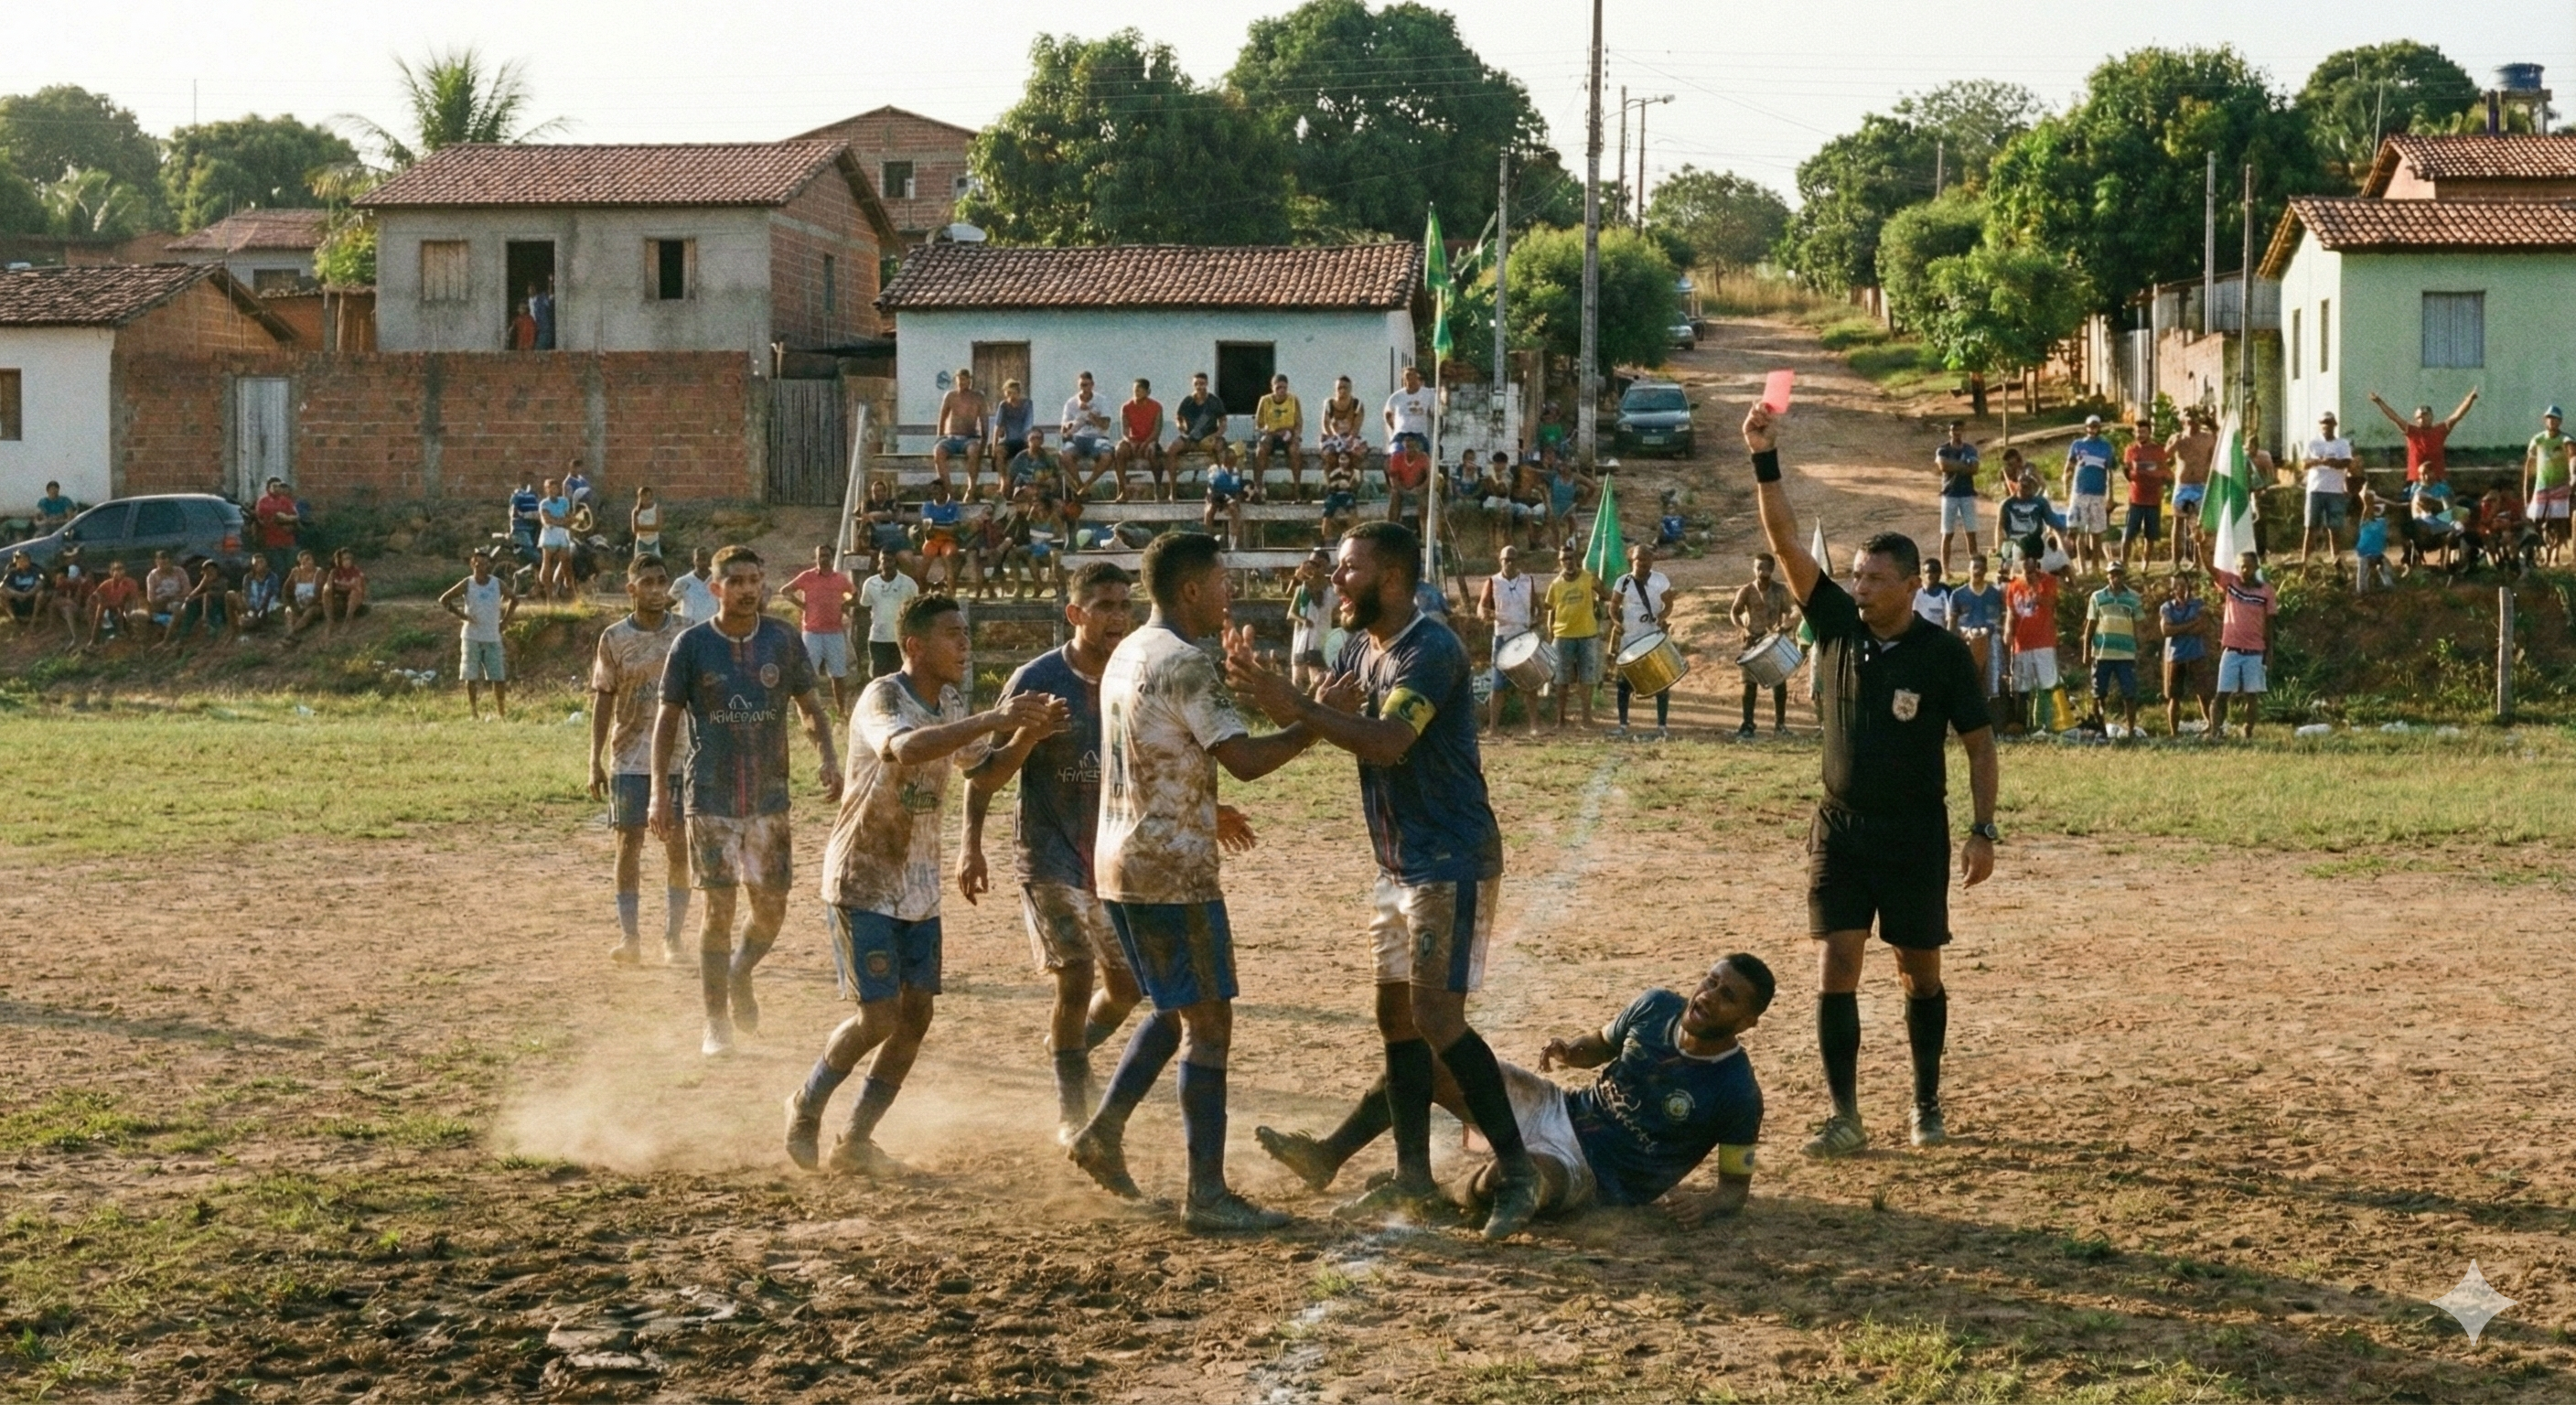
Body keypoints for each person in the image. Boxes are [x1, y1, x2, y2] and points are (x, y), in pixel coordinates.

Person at [1227, 521, 1545, 1240]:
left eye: (1348, 570)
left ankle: (1518, 1170)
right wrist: (1286, 702)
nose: (1335, 580)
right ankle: (1411, 1176)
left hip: (1449, 857)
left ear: (1391, 579)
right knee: (1396, 1021)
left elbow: (1393, 742)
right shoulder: (1355, 650)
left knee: (1437, 1020)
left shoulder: (1429, 648)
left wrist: (1301, 706)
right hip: (1397, 861)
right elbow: (1330, 724)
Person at [1743, 402, 1997, 1157]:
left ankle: (1925, 1103)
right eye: (1854, 575)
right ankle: (1844, 1115)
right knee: (1837, 966)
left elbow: (1980, 746)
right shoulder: (1839, 626)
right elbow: (1785, 542)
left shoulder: (1944, 655)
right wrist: (1765, 457)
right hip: (1841, 828)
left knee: (1919, 974)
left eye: (1874, 579)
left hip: (1916, 833)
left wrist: (1984, 829)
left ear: (1913, 585)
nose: (1858, 588)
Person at [1062, 531, 1318, 1232]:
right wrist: (1316, 722)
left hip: (1122, 858)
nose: (1231, 592)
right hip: (1171, 868)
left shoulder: (1126, 655)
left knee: (1174, 1012)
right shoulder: (1183, 664)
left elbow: (1161, 754)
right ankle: (1206, 1193)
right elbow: (1245, 760)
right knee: (1209, 1024)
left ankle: (1102, 1132)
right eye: (1223, 581)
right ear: (1192, 590)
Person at [787, 594, 1063, 1174]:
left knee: (915, 1018)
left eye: (965, 633)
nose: (964, 643)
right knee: (879, 1017)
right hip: (861, 878)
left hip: (917, 886)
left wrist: (1029, 736)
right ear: (913, 645)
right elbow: (905, 749)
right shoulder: (884, 694)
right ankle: (807, 1102)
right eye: (950, 634)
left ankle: (856, 1138)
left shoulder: (953, 701)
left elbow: (983, 772)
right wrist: (996, 718)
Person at [959, 563, 1144, 1143]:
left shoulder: (1134, 676)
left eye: (1123, 605)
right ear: (1075, 613)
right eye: (1103, 606)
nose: (1116, 617)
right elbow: (984, 775)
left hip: (1112, 858)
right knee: (1074, 974)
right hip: (1047, 856)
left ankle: (1067, 1048)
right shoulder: (1037, 679)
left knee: (1128, 988)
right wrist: (971, 846)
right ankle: (1073, 1110)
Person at [649, 546, 842, 1056]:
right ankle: (716, 1023)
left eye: (755, 579)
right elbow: (667, 721)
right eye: (735, 581)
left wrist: (827, 756)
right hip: (709, 796)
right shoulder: (691, 646)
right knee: (718, 907)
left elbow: (809, 706)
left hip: (769, 797)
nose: (748, 589)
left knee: (771, 910)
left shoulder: (782, 639)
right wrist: (656, 794)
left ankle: (740, 973)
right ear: (714, 589)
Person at [1441, 957, 1772, 1228]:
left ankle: (1442, 1193)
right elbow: (1600, 1045)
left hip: (1592, 1172)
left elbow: (1734, 1189)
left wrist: (1705, 1206)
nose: (1708, 996)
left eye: (1727, 996)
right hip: (1558, 1107)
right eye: (1710, 981)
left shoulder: (1738, 1091)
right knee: (1437, 1062)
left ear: (1748, 1021)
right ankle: (1410, 1171)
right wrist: (1570, 1051)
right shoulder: (1655, 1007)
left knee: (1513, 1176)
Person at [591, 555, 694, 966]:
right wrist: (594, 759)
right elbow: (603, 696)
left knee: (679, 847)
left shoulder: (687, 634)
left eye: (661, 581)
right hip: (629, 756)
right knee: (628, 844)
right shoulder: (614, 638)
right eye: (646, 582)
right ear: (630, 589)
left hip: (681, 755)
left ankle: (673, 938)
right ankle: (630, 936)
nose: (656, 589)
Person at [2201, 542, 2276, 741]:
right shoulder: (2231, 583)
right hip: (2232, 650)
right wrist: (2201, 547)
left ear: (2256, 567)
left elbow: (2270, 625)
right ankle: (2215, 732)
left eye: (2248, 566)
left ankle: (2248, 731)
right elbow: (2210, 568)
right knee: (2222, 694)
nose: (2244, 570)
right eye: (2241, 566)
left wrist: (2269, 653)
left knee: (2252, 695)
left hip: (2254, 651)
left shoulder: (2266, 591)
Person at [783, 544, 860, 715]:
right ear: (816, 558)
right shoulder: (807, 577)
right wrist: (803, 606)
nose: (823, 558)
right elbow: (785, 591)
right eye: (820, 556)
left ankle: (841, 711)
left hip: (835, 632)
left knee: (838, 674)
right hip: (812, 632)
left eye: (826, 555)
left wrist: (845, 604)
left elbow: (854, 594)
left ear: (831, 558)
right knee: (808, 674)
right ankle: (808, 711)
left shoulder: (840, 579)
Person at [1540, 542, 1607, 731]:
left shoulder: (1588, 578)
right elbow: (1550, 610)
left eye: (1570, 558)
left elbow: (1604, 594)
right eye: (1563, 559)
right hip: (1563, 636)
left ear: (1576, 559)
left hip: (1587, 635)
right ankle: (1560, 719)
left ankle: (1587, 719)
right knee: (1561, 680)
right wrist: (1550, 632)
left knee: (1587, 679)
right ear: (1559, 562)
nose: (1567, 562)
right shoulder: (1555, 585)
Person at [440, 550, 517, 719]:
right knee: (471, 676)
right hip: (471, 636)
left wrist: (505, 622)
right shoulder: (468, 583)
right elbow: (445, 599)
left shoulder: (497, 584)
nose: (482, 567)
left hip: (492, 636)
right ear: (472, 564)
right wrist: (462, 616)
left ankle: (501, 712)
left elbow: (514, 599)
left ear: (489, 565)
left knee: (499, 677)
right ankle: (474, 712)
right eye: (478, 564)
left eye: (485, 564)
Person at [1610, 543, 1675, 740]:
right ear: (1632, 560)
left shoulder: (1660, 580)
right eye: (1639, 560)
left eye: (1646, 560)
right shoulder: (1623, 582)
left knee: (1661, 682)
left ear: (1652, 561)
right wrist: (1616, 622)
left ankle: (1662, 725)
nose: (1642, 564)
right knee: (1623, 684)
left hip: (1653, 638)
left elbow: (1669, 603)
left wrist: (1663, 617)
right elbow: (1613, 606)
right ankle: (1622, 724)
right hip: (1630, 639)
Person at [1731, 552, 1798, 738]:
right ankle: (1747, 724)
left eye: (1765, 567)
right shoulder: (1746, 590)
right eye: (1758, 567)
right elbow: (1734, 612)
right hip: (1751, 641)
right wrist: (1743, 629)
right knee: (1749, 685)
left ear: (1772, 569)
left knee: (1779, 682)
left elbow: (1791, 610)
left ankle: (1780, 724)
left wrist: (1787, 624)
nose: (1761, 571)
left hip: (1773, 640)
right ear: (1753, 569)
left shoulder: (1780, 590)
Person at [1479, 546, 1541, 737]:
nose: (1510, 564)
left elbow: (1538, 607)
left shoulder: (1527, 581)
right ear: (1501, 561)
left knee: (1529, 684)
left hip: (1523, 636)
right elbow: (1482, 607)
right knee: (1498, 686)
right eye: (1506, 560)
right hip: (1502, 636)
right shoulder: (1493, 582)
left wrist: (1536, 622)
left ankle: (1533, 726)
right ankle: (1493, 728)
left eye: (1513, 560)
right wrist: (1485, 615)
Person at [2367, 388, 2478, 486]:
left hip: (2438, 480)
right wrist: (2379, 402)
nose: (2423, 419)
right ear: (2416, 419)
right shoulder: (2411, 431)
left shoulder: (2441, 430)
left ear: (2432, 416)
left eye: (2426, 415)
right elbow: (2394, 417)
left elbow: (2457, 416)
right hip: (2417, 481)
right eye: (2419, 417)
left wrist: (2470, 399)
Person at [2083, 562, 2143, 735]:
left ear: (2123, 576)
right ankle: (2102, 731)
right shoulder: (2097, 597)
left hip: (2125, 653)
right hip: (2102, 653)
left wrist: (2139, 649)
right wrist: (2086, 651)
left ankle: (2131, 729)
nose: (2115, 578)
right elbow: (2091, 625)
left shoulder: (2133, 598)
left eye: (2118, 574)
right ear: (2107, 576)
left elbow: (2138, 626)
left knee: (2129, 693)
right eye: (2112, 574)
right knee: (2099, 694)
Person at [2003, 555, 2059, 734]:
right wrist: (2008, 632)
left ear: (2036, 563)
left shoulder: (2047, 580)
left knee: (2047, 684)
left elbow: (2052, 603)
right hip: (2022, 642)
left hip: (2044, 642)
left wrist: (2037, 590)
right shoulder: (2013, 585)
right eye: (2023, 561)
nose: (2027, 565)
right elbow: (2011, 612)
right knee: (2021, 687)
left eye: (2030, 561)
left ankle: (2046, 725)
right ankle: (2022, 726)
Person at [2159, 566, 2215, 737]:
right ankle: (2174, 732)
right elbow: (2166, 631)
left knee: (2204, 693)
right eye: (2176, 586)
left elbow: (2203, 626)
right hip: (2175, 657)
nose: (2180, 589)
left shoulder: (2198, 604)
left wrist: (2178, 628)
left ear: (2188, 586)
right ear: (2171, 588)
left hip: (2196, 654)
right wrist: (2190, 625)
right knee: (2174, 696)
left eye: (2183, 585)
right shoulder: (2166, 607)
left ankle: (2211, 725)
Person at [1945, 554, 2006, 709]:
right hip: (1967, 640)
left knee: (1992, 679)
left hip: (1992, 640)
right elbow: (1952, 623)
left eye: (1981, 568)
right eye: (1974, 568)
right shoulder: (1957, 595)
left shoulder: (1995, 593)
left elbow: (2003, 620)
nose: (1977, 571)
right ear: (1969, 570)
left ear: (1986, 570)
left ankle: (1994, 708)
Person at [2061, 415, 2115, 574]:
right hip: (2079, 492)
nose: (2093, 429)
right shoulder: (2078, 445)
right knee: (2079, 531)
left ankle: (2096, 568)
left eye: (2096, 426)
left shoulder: (2106, 447)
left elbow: (2110, 472)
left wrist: (2110, 496)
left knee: (2096, 532)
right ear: (2086, 427)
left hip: (2098, 493)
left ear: (2100, 428)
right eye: (2090, 426)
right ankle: (2082, 568)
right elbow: (2069, 467)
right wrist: (2065, 485)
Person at [2299, 413, 2354, 568]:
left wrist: (2333, 463)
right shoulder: (2313, 443)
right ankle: (2305, 565)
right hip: (2315, 489)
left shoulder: (2342, 443)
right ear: (2320, 424)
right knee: (2310, 528)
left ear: (2334, 424)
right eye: (2323, 422)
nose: (2326, 425)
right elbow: (2303, 464)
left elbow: (2347, 462)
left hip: (2335, 490)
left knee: (2334, 529)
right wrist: (2318, 461)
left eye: (2329, 422)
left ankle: (2336, 563)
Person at [2120, 415, 2172, 572]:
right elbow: (2126, 470)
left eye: (2143, 431)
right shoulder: (2131, 450)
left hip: (2154, 499)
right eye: (2137, 432)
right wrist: (2135, 478)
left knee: (2151, 535)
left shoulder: (2158, 450)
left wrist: (2160, 481)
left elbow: (2164, 471)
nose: (2140, 435)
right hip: (2136, 498)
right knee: (2129, 534)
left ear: (2149, 432)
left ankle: (2145, 565)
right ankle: (2124, 564)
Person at [2167, 409, 2217, 569]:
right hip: (2183, 486)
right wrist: (2175, 446)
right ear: (2183, 420)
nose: (2192, 421)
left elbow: (2215, 458)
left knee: (2199, 524)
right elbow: (2164, 457)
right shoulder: (2177, 438)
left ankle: (2198, 562)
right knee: (2178, 522)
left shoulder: (2207, 438)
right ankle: (2175, 562)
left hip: (2201, 486)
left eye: (2195, 417)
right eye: (2188, 417)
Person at [858, 549, 918, 681]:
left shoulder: (908, 583)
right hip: (878, 638)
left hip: (901, 638)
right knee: (878, 677)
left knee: (901, 677)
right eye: (883, 560)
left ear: (896, 562)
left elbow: (915, 608)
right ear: (879, 563)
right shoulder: (870, 583)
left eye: (890, 560)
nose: (886, 564)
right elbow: (865, 605)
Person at [2524, 406, 2572, 564]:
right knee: (2535, 519)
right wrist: (2526, 490)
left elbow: (2573, 457)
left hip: (2561, 486)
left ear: (2560, 421)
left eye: (2555, 418)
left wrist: (2573, 476)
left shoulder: (2566, 440)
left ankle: (2557, 554)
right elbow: (2530, 464)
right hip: (2542, 485)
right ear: (2545, 420)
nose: (2552, 421)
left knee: (2559, 522)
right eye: (2549, 418)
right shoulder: (2538, 440)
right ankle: (2537, 551)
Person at [934, 368, 990, 500]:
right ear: (956, 381)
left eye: (965, 380)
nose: (962, 383)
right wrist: (939, 438)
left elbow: (984, 424)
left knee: (974, 451)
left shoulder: (978, 398)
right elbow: (942, 419)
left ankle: (971, 490)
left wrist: (983, 444)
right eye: (960, 380)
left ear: (970, 381)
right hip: (951, 438)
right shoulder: (950, 396)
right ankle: (949, 492)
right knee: (938, 452)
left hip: (969, 438)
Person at [1996, 468, 2066, 572]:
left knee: (2063, 564)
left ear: (2033, 486)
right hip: (2015, 544)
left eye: (2029, 484)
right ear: (2017, 485)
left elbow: (2054, 523)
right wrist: (2000, 553)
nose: (2025, 488)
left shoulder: (2040, 502)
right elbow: (1999, 529)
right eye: (2023, 485)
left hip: (2036, 544)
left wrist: (2062, 545)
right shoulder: (2007, 504)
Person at [1933, 422, 1981, 567]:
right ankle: (1945, 569)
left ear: (1963, 431)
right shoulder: (1943, 449)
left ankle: (1974, 566)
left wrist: (1953, 465)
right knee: (1947, 533)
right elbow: (1943, 466)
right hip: (1950, 494)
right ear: (1950, 432)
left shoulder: (1970, 449)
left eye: (1959, 430)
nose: (1957, 433)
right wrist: (1963, 466)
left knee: (1971, 532)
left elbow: (1974, 469)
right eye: (1954, 430)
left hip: (1967, 493)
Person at [1172, 372, 1229, 487]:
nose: (1199, 386)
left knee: (1221, 448)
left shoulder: (1214, 401)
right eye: (1196, 384)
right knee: (1172, 449)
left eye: (1202, 384)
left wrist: (1217, 435)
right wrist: (1180, 427)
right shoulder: (1187, 401)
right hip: (1191, 438)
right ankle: (1172, 488)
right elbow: (1178, 417)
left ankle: (1223, 482)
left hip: (1209, 438)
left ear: (1207, 384)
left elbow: (1223, 420)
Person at [1114, 378, 1167, 502]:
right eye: (1135, 389)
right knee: (1119, 450)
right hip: (1132, 441)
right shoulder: (1126, 407)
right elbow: (1125, 431)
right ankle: (1123, 491)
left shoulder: (1156, 407)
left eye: (1140, 389)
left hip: (1150, 440)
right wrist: (1130, 441)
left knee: (1152, 451)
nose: (1136, 392)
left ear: (1148, 391)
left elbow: (1157, 431)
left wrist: (1145, 443)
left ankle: (1157, 489)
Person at [1060, 371, 1114, 495]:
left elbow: (1105, 425)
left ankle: (1088, 484)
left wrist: (1090, 413)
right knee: (1064, 455)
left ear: (1092, 385)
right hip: (1077, 438)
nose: (1083, 388)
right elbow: (1063, 426)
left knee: (1107, 456)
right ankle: (1080, 484)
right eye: (1081, 385)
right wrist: (1067, 426)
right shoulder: (1071, 402)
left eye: (1086, 385)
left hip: (1098, 437)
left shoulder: (1101, 400)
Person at [1252, 373, 1304, 501]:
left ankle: (1297, 490)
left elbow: (1299, 422)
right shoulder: (1265, 400)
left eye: (1284, 388)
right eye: (1278, 387)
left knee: (1295, 450)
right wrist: (1267, 430)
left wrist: (1295, 436)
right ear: (1272, 388)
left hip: (1288, 433)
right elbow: (1258, 424)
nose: (1281, 391)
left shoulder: (1293, 400)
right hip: (1272, 434)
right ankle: (1258, 488)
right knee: (1262, 448)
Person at [1289, 550, 1334, 692]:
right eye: (1312, 563)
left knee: (1318, 681)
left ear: (1327, 565)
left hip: (1321, 639)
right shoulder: (1303, 589)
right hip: (1301, 641)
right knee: (1298, 681)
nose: (1315, 566)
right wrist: (1303, 620)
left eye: (1319, 563)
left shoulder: (1333, 591)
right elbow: (1291, 613)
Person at [1201, 442, 1256, 547]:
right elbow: (1211, 489)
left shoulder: (1235, 473)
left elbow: (1235, 489)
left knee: (1234, 509)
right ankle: (1207, 539)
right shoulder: (1216, 471)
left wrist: (1236, 498)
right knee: (1209, 510)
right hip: (1216, 495)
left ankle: (1236, 542)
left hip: (1228, 496)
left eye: (1234, 460)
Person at [915, 477, 964, 591]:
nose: (935, 493)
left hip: (949, 540)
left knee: (949, 558)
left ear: (944, 491)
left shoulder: (953, 506)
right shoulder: (927, 506)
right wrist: (944, 528)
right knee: (924, 565)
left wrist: (936, 527)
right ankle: (922, 592)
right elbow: (927, 527)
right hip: (932, 540)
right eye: (933, 490)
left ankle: (951, 594)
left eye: (937, 490)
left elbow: (954, 529)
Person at [1382, 364, 1433, 466]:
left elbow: (1435, 412)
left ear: (1417, 377)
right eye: (1407, 376)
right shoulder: (1396, 397)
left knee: (1422, 457)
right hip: (1401, 435)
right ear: (1403, 379)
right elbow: (1387, 413)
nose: (1410, 378)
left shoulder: (1428, 394)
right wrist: (1394, 427)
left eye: (1412, 375)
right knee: (1394, 454)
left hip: (1419, 434)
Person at [86, 558, 145, 646]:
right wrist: (99, 601)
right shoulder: (106, 584)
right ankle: (94, 639)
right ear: (110, 572)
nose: (118, 572)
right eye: (115, 569)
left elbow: (134, 600)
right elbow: (93, 597)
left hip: (124, 607)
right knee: (99, 609)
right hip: (109, 607)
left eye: (120, 569)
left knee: (131, 611)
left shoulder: (131, 583)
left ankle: (133, 635)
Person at [1319, 376, 1367, 483]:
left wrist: (1350, 439)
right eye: (1339, 388)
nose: (1342, 390)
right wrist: (1334, 438)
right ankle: (1330, 485)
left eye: (1345, 388)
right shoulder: (1329, 404)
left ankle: (1355, 485)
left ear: (1350, 389)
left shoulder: (1357, 405)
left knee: (1357, 455)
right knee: (1329, 456)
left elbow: (1357, 427)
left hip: (1351, 436)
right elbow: (1325, 425)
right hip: (1333, 436)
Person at [536, 477, 575, 602]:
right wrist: (563, 521)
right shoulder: (544, 504)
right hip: (550, 534)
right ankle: (549, 596)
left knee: (566, 562)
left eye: (555, 488)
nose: (553, 491)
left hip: (562, 534)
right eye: (550, 489)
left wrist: (570, 521)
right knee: (547, 561)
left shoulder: (564, 501)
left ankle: (568, 590)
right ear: (546, 490)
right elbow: (547, 520)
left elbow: (568, 517)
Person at [252, 477, 300, 578]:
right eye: (274, 486)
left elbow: (296, 516)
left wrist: (286, 518)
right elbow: (262, 517)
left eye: (279, 486)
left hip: (288, 541)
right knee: (279, 569)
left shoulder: (286, 501)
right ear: (268, 488)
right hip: (272, 542)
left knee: (291, 569)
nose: (277, 488)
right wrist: (279, 516)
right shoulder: (263, 501)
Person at [143, 551, 190, 645]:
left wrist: (177, 597)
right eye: (162, 563)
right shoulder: (152, 576)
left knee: (180, 607)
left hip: (178, 600)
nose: (165, 565)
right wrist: (164, 600)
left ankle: (178, 636)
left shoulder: (179, 571)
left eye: (167, 563)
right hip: (162, 603)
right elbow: (151, 598)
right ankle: (168, 638)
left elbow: (187, 589)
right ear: (157, 562)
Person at [322, 548, 368, 639]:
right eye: (344, 559)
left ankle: (348, 621)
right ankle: (330, 621)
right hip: (340, 598)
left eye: (349, 559)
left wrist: (343, 584)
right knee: (326, 591)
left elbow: (357, 587)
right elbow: (329, 587)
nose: (347, 561)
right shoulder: (335, 572)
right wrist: (334, 585)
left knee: (355, 592)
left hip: (354, 600)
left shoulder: (355, 570)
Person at [990, 378, 1036, 468]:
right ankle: (1003, 479)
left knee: (1031, 452)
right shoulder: (1004, 406)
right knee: (999, 452)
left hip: (1024, 440)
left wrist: (1027, 442)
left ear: (1019, 393)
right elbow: (997, 426)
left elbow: (1028, 425)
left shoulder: (1027, 404)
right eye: (1009, 393)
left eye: (1014, 393)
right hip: (1008, 441)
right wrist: (994, 447)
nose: (1011, 396)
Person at [669, 547, 719, 627]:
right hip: (688, 629)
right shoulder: (683, 581)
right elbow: (668, 603)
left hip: (713, 629)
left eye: (705, 558)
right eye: (699, 559)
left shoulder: (719, 580)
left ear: (710, 560)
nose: (702, 562)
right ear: (693, 560)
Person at [2355, 492, 2395, 592]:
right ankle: (2362, 591)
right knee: (2362, 573)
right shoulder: (2365, 522)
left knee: (2388, 570)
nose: (2375, 510)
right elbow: (2367, 509)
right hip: (2364, 553)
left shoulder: (2383, 522)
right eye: (2374, 508)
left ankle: (2389, 587)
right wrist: (2368, 502)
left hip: (2377, 554)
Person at [284, 550, 326, 640]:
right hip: (299, 605)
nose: (307, 562)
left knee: (309, 612)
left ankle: (292, 632)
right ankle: (290, 631)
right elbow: (285, 590)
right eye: (304, 561)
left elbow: (318, 594)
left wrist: (307, 605)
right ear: (300, 563)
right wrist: (288, 604)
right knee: (288, 611)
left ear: (313, 559)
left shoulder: (319, 572)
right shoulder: (296, 572)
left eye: (308, 559)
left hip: (315, 605)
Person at [234, 554, 281, 634]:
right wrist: (250, 608)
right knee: (246, 619)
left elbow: (271, 594)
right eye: (256, 563)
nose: (259, 565)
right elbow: (246, 594)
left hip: (268, 606)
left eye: (261, 562)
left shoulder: (272, 577)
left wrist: (261, 609)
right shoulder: (248, 578)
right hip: (252, 606)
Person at [2, 551, 44, 634]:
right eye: (21, 561)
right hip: (17, 597)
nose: (23, 562)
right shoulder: (12, 572)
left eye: (26, 560)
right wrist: (18, 594)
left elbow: (40, 583)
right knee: (1, 593)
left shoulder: (35, 570)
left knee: (41, 594)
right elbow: (2, 586)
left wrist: (27, 594)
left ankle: (33, 622)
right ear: (16, 562)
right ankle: (14, 621)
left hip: (31, 596)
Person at [1007, 425, 1056, 496]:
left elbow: (1055, 479)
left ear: (1042, 441)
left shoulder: (1048, 458)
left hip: (1042, 491)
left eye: (1038, 438)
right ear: (1027, 440)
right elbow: (1010, 478)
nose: (1035, 440)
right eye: (1032, 438)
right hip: (1023, 492)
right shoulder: (1020, 458)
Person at [1319, 464, 1359, 544]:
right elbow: (1327, 485)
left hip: (1347, 493)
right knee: (1327, 514)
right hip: (1333, 494)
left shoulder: (1354, 471)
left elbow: (1356, 483)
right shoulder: (1328, 470)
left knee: (1352, 512)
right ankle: (1328, 541)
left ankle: (1356, 538)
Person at [1909, 559, 1948, 627]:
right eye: (1927, 572)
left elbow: (1949, 619)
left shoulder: (1945, 593)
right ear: (1923, 574)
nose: (1930, 575)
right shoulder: (1915, 594)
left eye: (1934, 572)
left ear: (1940, 573)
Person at [509, 480, 542, 556]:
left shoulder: (534, 496)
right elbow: (514, 513)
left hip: (533, 530)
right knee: (537, 558)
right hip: (522, 530)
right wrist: (528, 515)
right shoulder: (517, 495)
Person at [630, 487, 662, 560]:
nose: (647, 500)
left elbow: (658, 527)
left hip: (653, 542)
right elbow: (635, 530)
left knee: (657, 563)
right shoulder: (636, 512)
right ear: (640, 497)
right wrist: (651, 527)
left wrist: (641, 527)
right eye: (644, 497)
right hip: (641, 543)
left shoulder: (656, 509)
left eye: (649, 497)